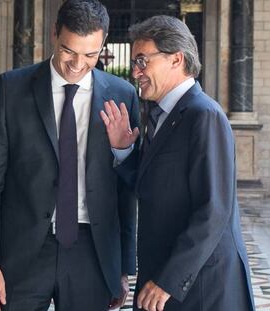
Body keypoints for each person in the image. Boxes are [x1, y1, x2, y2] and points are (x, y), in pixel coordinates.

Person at [0, 1, 140, 310]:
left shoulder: (123, 95)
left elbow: (126, 192)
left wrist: (124, 267)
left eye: (90, 54)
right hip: (22, 253)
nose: (77, 64)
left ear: (102, 44)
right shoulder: (10, 89)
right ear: (54, 34)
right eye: (68, 51)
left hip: (92, 252)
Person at [100, 15, 255, 311]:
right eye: (135, 62)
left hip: (202, 287)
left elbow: (213, 211)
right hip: (166, 277)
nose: (135, 71)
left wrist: (168, 281)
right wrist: (122, 151)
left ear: (176, 59)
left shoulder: (203, 115)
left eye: (143, 61)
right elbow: (156, 187)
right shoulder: (163, 115)